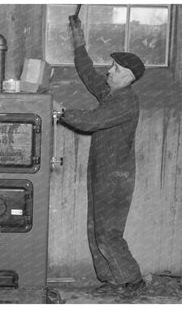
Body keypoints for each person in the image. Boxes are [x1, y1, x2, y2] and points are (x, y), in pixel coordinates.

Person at [60, 15, 146, 297]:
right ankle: (112, 280)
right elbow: (86, 71)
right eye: (111, 66)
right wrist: (78, 38)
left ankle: (133, 282)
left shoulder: (126, 102)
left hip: (116, 177)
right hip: (103, 171)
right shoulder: (111, 92)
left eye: (115, 68)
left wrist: (61, 112)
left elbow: (90, 121)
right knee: (95, 229)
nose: (109, 71)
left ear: (128, 77)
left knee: (108, 233)